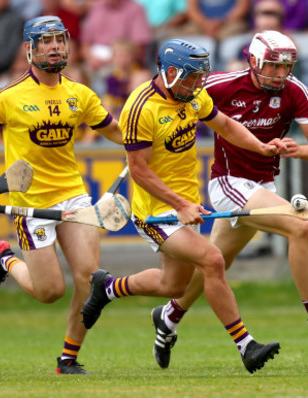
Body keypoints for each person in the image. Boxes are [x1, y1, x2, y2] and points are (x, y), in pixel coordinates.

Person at [148, 31, 308, 369]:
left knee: (213, 263)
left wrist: (299, 149)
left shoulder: (295, 90)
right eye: (273, 66)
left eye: (285, 66)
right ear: (254, 62)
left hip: (263, 186)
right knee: (299, 227)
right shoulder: (223, 84)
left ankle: (168, 318)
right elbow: (172, 91)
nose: (280, 73)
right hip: (228, 182)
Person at [81, 38, 285, 374]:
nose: (198, 84)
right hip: (156, 212)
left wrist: (260, 147)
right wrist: (179, 204)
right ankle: (246, 345)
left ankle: (108, 287)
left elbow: (226, 125)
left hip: (185, 203)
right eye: (192, 77)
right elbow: (140, 171)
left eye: (200, 77)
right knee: (213, 259)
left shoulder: (193, 95)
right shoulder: (140, 107)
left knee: (173, 285)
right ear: (171, 72)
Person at [0, 16, 123, 374]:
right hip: (30, 204)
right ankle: (5, 259)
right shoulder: (9, 96)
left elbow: (116, 130)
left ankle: (68, 358)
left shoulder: (80, 93)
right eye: (45, 41)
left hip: (73, 196)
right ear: (29, 49)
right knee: (49, 291)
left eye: (59, 40)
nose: (54, 47)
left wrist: (145, 143)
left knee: (90, 278)